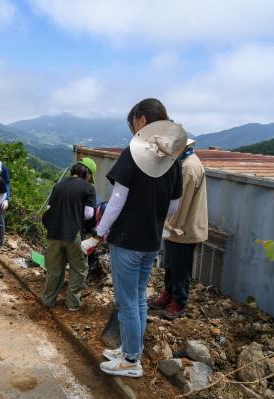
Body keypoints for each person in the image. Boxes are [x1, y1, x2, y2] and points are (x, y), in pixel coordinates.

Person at [82, 98, 186, 378]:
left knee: (127, 301)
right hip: (152, 241)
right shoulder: (173, 159)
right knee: (139, 298)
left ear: (141, 120)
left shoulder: (134, 154)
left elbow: (116, 200)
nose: (133, 131)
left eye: (133, 124)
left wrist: (98, 234)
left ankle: (130, 361)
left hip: (127, 240)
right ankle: (132, 349)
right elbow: (174, 205)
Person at [149, 138, 208, 319]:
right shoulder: (184, 163)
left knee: (181, 266)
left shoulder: (188, 168)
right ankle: (169, 294)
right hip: (177, 226)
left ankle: (179, 301)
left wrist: (168, 225)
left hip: (184, 227)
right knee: (171, 264)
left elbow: (181, 204)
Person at [41, 158, 97, 311]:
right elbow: (88, 214)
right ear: (87, 173)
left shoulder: (58, 185)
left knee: (54, 268)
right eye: (90, 176)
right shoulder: (88, 188)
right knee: (78, 268)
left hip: (53, 232)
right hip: (73, 233)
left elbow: (50, 207)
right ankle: (73, 303)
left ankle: (48, 300)